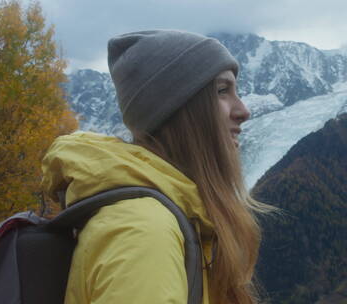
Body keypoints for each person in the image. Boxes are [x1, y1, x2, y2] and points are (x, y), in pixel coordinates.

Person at [41, 30, 272, 304]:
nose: (243, 110)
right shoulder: (144, 231)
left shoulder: (166, 218)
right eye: (222, 91)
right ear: (178, 111)